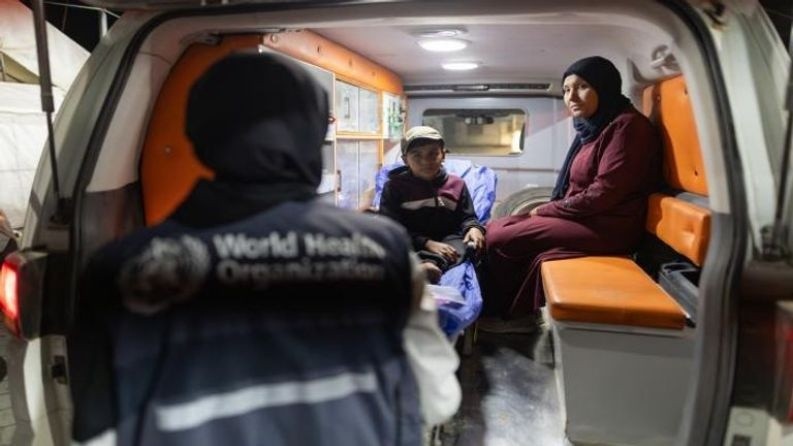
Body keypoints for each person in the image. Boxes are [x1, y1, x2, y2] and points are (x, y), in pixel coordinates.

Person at [69, 52, 459, 445]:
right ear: (313, 133)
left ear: (199, 134)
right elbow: (437, 398)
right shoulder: (383, 248)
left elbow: (99, 434)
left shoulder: (122, 268)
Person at [480, 56, 662, 333]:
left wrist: (546, 210)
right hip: (588, 218)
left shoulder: (628, 127)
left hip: (610, 225)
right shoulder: (593, 127)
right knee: (494, 227)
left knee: (501, 238)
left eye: (582, 87)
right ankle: (507, 306)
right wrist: (551, 208)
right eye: (566, 90)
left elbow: (604, 194)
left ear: (604, 87)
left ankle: (515, 315)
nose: (571, 97)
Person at [379, 126, 486, 282]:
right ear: (405, 159)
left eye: (433, 154)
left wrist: (473, 228)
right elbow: (390, 226)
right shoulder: (394, 187)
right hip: (410, 239)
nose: (426, 161)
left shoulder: (457, 184)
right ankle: (422, 264)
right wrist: (426, 243)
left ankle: (428, 266)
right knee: (389, 243)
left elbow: (467, 217)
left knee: (462, 246)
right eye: (417, 155)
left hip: (446, 239)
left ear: (443, 155)